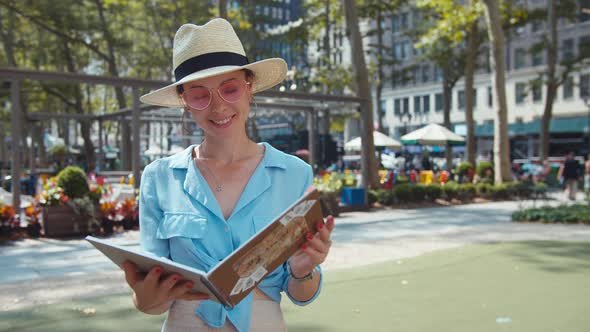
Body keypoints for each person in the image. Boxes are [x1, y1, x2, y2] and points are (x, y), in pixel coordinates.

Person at [122, 18, 335, 332]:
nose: (218, 107)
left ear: (249, 86)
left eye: (230, 88)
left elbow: (299, 293)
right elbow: (153, 304)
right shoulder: (159, 177)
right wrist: (144, 296)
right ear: (185, 101)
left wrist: (304, 270)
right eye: (199, 95)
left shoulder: (294, 174)